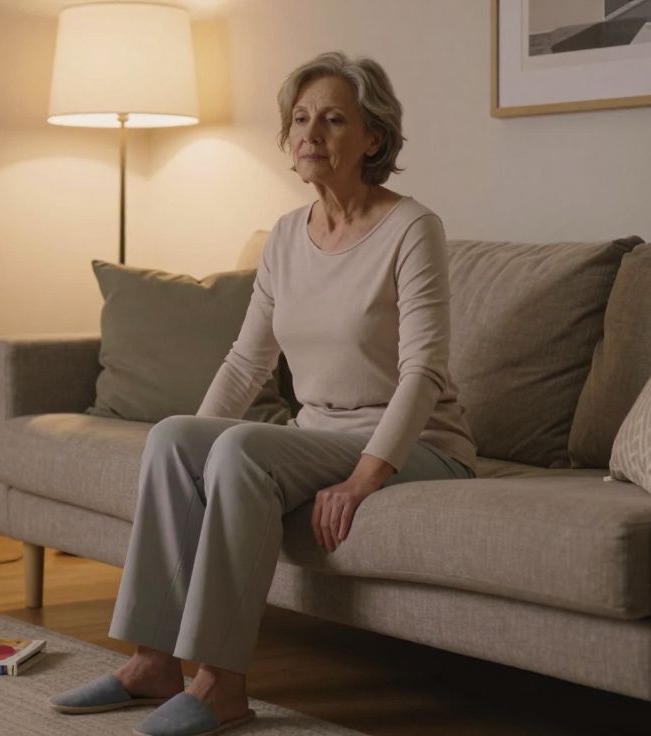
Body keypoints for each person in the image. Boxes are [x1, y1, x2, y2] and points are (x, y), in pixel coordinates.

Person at [49, 51, 478, 736]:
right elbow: (248, 360)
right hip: (317, 436)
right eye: (301, 118)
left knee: (244, 449)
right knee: (172, 435)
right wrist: (194, 445)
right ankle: (152, 662)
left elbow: (424, 370)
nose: (311, 132)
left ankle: (221, 685)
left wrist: (366, 477)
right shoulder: (285, 235)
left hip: (417, 445)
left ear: (374, 138)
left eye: (334, 119)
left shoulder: (411, 228)